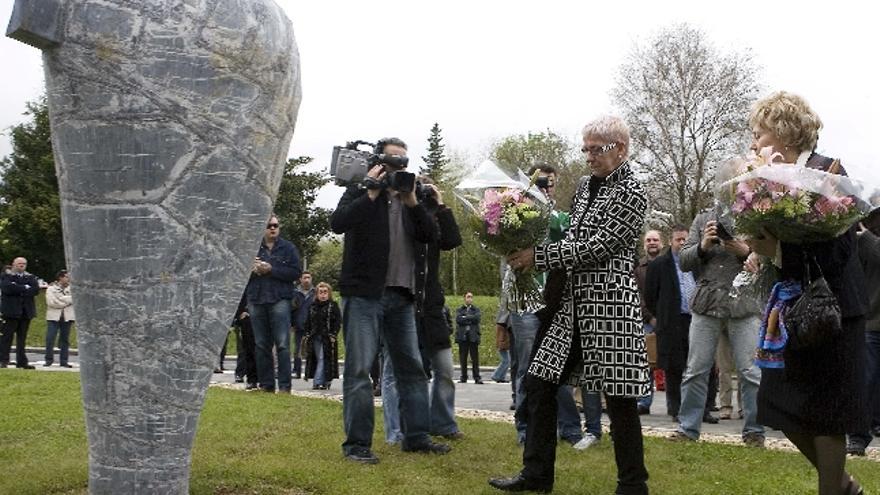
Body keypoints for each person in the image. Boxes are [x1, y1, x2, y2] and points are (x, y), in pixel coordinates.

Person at [491, 115, 650, 494]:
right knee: (539, 381)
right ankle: (536, 476)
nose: (589, 156)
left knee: (621, 399)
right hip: (570, 305)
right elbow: (574, 235)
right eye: (586, 149)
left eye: (597, 149)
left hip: (610, 305)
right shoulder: (582, 187)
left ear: (621, 149)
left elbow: (597, 246)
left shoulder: (633, 192)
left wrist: (539, 256)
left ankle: (633, 485)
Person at [746, 91, 867, 494]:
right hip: (791, 306)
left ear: (783, 133)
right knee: (779, 405)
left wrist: (779, 250)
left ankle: (834, 490)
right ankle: (845, 485)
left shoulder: (826, 172)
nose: (754, 142)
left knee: (827, 413)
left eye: (759, 134)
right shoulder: (767, 180)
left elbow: (840, 248)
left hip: (833, 311)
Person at [330, 137, 449, 464]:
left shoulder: (414, 196)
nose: (398, 167)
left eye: (403, 161)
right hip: (364, 295)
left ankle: (416, 437)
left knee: (411, 369)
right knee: (359, 371)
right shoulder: (360, 189)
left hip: (402, 295)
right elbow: (337, 223)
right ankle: (357, 445)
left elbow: (433, 235)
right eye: (392, 160)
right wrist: (371, 191)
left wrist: (412, 201)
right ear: (378, 160)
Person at [668, 205, 766, 445]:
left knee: (750, 371)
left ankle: (754, 431)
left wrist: (746, 251)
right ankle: (687, 428)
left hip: (744, 303)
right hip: (707, 302)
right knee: (696, 369)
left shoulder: (756, 216)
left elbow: (771, 260)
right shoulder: (703, 217)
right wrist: (702, 245)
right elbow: (683, 261)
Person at [505, 165, 584, 449]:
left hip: (554, 300)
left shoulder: (560, 219)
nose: (546, 188)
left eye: (550, 184)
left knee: (555, 363)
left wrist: (546, 206)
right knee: (527, 366)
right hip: (525, 300)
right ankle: (526, 428)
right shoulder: (513, 214)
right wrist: (524, 202)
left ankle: (570, 427)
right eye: (540, 183)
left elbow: (568, 234)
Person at [245, 214, 302, 393]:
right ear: (262, 228)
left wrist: (271, 269)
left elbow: (295, 272)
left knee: (283, 344)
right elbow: (238, 274)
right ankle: (266, 385)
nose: (272, 228)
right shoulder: (251, 248)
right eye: (269, 225)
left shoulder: (288, 248)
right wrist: (252, 270)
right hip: (257, 298)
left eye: (275, 225)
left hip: (280, 299)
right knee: (261, 344)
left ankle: (285, 387)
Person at [644, 225, 696, 423]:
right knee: (673, 368)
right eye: (678, 240)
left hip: (695, 319)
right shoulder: (659, 265)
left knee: (698, 365)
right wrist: (661, 315)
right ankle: (675, 409)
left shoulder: (697, 262)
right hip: (671, 322)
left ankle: (702, 408)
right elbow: (650, 296)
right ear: (671, 241)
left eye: (685, 240)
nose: (682, 243)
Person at [847, 211, 880, 456]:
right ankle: (858, 436)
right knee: (865, 381)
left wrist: (867, 238)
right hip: (871, 319)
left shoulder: (867, 234)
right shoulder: (864, 217)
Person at [634, 229, 664, 414]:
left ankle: (676, 404)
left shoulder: (670, 264)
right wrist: (651, 318)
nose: (652, 242)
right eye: (649, 240)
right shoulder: (637, 267)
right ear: (644, 244)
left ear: (662, 243)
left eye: (655, 240)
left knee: (675, 362)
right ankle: (644, 402)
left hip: (670, 321)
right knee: (646, 363)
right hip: (647, 321)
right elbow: (637, 295)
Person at [0, 257, 41, 369]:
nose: (22, 266)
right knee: (6, 337)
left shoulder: (30, 277)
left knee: (21, 338)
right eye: (19, 264)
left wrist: (18, 288)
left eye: (24, 264)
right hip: (10, 312)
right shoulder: (6, 276)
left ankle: (22, 361)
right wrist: (24, 287)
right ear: (13, 264)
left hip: (25, 312)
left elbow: (35, 290)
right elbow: (7, 289)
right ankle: (3, 360)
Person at [304, 282, 340, 390]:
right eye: (321, 292)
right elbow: (308, 321)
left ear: (329, 293)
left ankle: (318, 381)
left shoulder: (333, 306)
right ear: (317, 294)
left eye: (325, 292)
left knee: (324, 357)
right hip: (315, 336)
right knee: (318, 358)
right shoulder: (312, 306)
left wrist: (333, 334)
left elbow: (337, 321)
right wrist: (307, 334)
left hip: (327, 337)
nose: (323, 295)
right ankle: (323, 380)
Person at [43, 269, 75, 368]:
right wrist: (66, 302)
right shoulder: (51, 288)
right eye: (66, 277)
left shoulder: (72, 289)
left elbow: (75, 299)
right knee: (50, 338)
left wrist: (62, 300)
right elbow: (51, 302)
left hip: (67, 317)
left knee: (65, 339)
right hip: (53, 317)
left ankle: (64, 361)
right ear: (60, 277)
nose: (68, 279)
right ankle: (49, 359)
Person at [232, 291, 258, 389]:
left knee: (261, 348)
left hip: (260, 314)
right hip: (246, 317)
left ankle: (259, 378)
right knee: (246, 349)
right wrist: (240, 313)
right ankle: (245, 375)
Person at [293, 271, 316, 379]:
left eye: (309, 277)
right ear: (300, 279)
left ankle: (310, 371)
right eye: (304, 278)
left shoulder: (315, 293)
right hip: (299, 325)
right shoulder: (295, 292)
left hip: (312, 326)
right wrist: (292, 323)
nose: (307, 280)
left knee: (311, 349)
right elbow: (292, 309)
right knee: (298, 349)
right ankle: (296, 370)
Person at [455, 292, 482, 384]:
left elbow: (477, 319)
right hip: (463, 337)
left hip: (473, 336)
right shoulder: (460, 309)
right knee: (463, 358)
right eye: (468, 297)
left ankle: (477, 377)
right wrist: (470, 319)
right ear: (464, 298)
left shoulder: (476, 309)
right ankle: (463, 377)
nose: (470, 299)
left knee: (475, 358)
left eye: (471, 297)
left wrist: (465, 317)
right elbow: (458, 320)